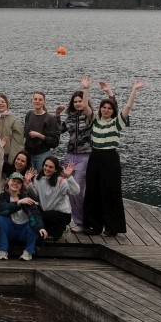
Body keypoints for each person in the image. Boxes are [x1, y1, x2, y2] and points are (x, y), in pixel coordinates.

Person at [83, 80, 146, 237]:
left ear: (112, 111)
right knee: (93, 191)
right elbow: (85, 106)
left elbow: (128, 107)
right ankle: (95, 226)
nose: (106, 110)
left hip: (110, 157)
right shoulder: (94, 120)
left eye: (109, 108)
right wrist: (86, 88)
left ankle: (111, 227)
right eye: (103, 108)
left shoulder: (117, 122)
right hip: (95, 156)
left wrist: (134, 89)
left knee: (110, 192)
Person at [57, 77, 93, 231]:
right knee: (70, 190)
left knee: (78, 188)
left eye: (80, 101)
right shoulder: (70, 118)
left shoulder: (89, 117)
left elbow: (86, 107)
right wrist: (57, 115)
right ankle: (78, 221)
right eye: (75, 101)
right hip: (70, 155)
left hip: (85, 155)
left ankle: (84, 222)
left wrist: (86, 88)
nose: (78, 103)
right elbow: (58, 130)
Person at [31, 155, 80, 241]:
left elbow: (75, 191)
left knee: (43, 215)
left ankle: (61, 231)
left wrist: (69, 177)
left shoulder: (61, 181)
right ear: (43, 166)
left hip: (62, 214)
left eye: (51, 167)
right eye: (46, 166)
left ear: (55, 169)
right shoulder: (37, 179)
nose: (47, 168)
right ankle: (50, 231)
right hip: (47, 212)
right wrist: (28, 184)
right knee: (35, 212)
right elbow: (35, 196)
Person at [0, 171, 43, 260]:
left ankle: (28, 251)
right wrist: (18, 202)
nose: (15, 184)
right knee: (1, 218)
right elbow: (1, 209)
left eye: (19, 182)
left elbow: (36, 213)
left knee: (35, 225)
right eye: (13, 181)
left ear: (21, 185)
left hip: (24, 230)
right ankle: (3, 250)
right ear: (8, 182)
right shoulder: (3, 196)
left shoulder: (26, 197)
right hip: (11, 229)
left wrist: (41, 227)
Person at [23, 91, 61, 164]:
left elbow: (54, 142)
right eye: (35, 99)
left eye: (40, 100)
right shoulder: (29, 114)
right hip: (28, 153)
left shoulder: (50, 119)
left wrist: (39, 135)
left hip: (42, 154)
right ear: (32, 101)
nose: (37, 101)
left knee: (42, 175)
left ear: (44, 102)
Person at [0, 93, 26, 166]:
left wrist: (12, 160)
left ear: (7, 105)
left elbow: (18, 142)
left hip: (7, 158)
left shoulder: (13, 121)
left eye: (3, 102)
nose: (0, 104)